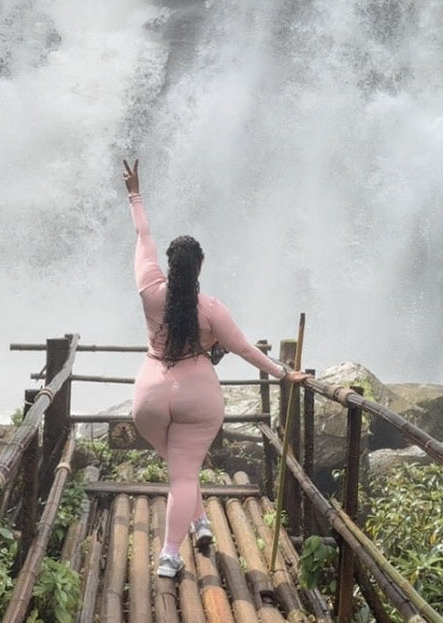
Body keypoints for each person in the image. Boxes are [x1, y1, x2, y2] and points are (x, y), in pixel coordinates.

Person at [122, 158, 308, 578]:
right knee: (184, 474)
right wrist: (285, 374)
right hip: (197, 396)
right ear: (200, 268)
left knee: (181, 469)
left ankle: (199, 522)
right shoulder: (211, 309)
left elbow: (142, 234)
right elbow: (244, 350)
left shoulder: (150, 290)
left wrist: (135, 193)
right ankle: (170, 555)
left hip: (150, 395)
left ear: (169, 265)